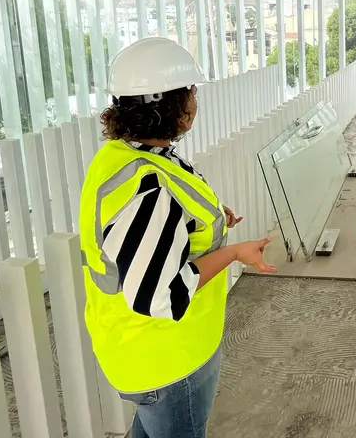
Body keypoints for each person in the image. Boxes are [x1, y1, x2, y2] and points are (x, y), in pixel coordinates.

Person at [79, 37, 276, 438]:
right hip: (167, 360)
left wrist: (209, 220)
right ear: (170, 105)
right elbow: (160, 296)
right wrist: (236, 252)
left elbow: (158, 221)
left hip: (140, 351)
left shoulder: (126, 155)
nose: (195, 99)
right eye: (189, 91)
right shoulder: (146, 187)